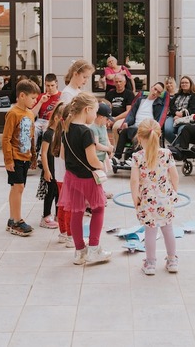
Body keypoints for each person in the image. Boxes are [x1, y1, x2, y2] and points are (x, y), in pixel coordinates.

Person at [59, 92, 112, 265]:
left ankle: (79, 251)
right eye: (95, 112)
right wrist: (101, 166)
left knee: (76, 212)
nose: (95, 115)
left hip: (72, 177)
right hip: (88, 178)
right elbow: (91, 159)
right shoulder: (86, 132)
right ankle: (94, 249)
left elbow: (62, 156)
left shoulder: (66, 129)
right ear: (87, 109)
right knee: (98, 209)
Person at [130, 118, 180, 275]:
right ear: (158, 136)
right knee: (168, 229)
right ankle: (172, 261)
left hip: (147, 201)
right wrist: (174, 193)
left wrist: (135, 199)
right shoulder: (167, 154)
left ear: (139, 138)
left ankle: (150, 264)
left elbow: (134, 180)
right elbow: (175, 176)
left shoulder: (137, 156)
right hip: (165, 199)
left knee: (150, 231)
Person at [2, 79, 40, 236]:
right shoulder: (13, 114)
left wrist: (32, 156)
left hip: (25, 157)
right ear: (22, 95)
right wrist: (9, 160)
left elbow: (31, 135)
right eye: (33, 98)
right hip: (15, 157)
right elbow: (6, 138)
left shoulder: (30, 113)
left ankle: (12, 219)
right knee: (18, 187)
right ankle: (17, 221)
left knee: (17, 188)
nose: (35, 101)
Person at [112, 82, 168, 166]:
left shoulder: (159, 104)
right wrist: (126, 122)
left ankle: (133, 157)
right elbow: (132, 113)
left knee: (138, 132)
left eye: (159, 92)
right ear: (151, 87)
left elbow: (158, 120)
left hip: (147, 128)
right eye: (155, 89)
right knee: (124, 132)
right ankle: (117, 157)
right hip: (135, 126)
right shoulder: (140, 100)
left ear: (160, 94)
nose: (155, 92)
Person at [51, 104, 73, 248]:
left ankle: (63, 233)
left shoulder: (56, 132)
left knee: (62, 204)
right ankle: (70, 236)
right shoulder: (66, 133)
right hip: (67, 175)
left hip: (59, 175)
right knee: (69, 206)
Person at [39, 102, 64, 230]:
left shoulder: (60, 133)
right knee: (50, 193)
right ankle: (46, 216)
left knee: (58, 192)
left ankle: (57, 215)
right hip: (50, 168)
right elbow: (43, 153)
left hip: (58, 169)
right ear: (56, 118)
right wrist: (46, 170)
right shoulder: (49, 133)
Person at [164, 75, 195, 144]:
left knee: (181, 130)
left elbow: (194, 109)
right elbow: (171, 106)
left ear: (190, 84)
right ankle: (178, 146)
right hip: (173, 116)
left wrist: (181, 115)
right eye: (182, 83)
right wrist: (176, 113)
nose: (184, 84)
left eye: (186, 83)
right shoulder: (177, 95)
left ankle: (179, 148)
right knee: (167, 130)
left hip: (187, 118)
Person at [31, 73, 62, 152]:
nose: (50, 88)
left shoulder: (61, 96)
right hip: (40, 120)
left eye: (52, 85)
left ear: (56, 84)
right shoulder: (40, 96)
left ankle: (43, 155)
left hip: (53, 121)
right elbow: (32, 115)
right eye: (48, 86)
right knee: (32, 128)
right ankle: (32, 153)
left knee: (47, 131)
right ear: (45, 84)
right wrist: (41, 102)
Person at [90, 102, 115, 198]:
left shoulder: (103, 126)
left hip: (103, 156)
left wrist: (110, 149)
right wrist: (107, 148)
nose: (108, 121)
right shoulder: (93, 128)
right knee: (97, 177)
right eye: (107, 119)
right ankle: (98, 194)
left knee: (102, 176)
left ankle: (101, 192)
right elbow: (96, 144)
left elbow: (106, 138)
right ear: (100, 117)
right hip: (96, 157)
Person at [105, 74, 135, 146]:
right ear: (114, 83)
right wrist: (107, 119)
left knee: (116, 127)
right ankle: (105, 148)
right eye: (116, 82)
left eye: (120, 81)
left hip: (122, 118)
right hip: (110, 118)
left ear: (124, 82)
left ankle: (117, 150)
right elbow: (106, 108)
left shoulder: (129, 94)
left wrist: (114, 119)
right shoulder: (110, 93)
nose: (118, 83)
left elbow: (128, 112)